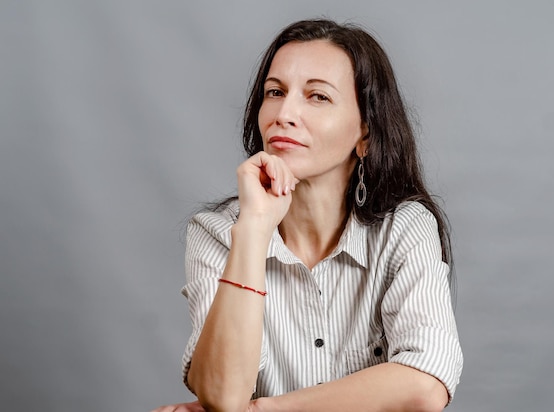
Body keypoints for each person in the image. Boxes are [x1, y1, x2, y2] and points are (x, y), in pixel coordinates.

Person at [153, 18, 462, 412]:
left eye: (317, 96)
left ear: (365, 134)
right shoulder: (217, 231)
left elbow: (424, 385)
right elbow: (222, 393)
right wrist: (253, 229)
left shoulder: (405, 227)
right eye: (275, 92)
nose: (284, 113)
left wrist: (263, 409)